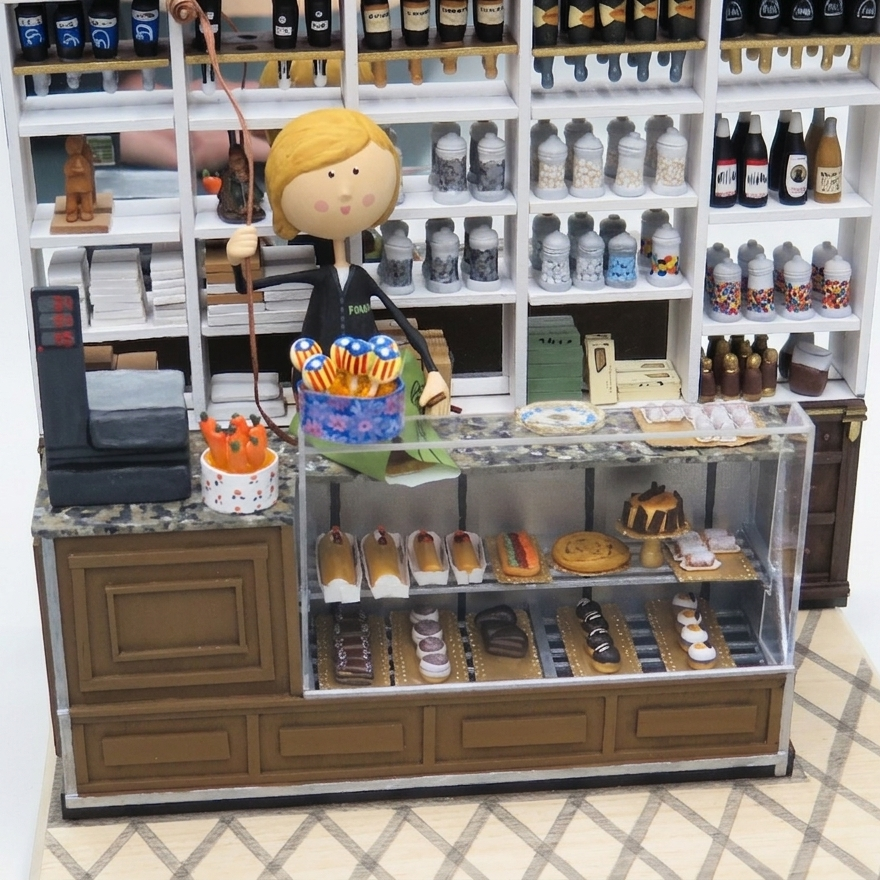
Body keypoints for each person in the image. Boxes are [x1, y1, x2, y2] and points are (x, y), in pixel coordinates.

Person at [226, 108, 449, 409]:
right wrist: (236, 262)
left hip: (369, 384)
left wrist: (433, 371)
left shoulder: (360, 278)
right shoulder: (321, 278)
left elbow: (401, 321)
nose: (344, 192)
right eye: (330, 176)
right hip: (320, 384)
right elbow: (246, 287)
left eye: (356, 174)